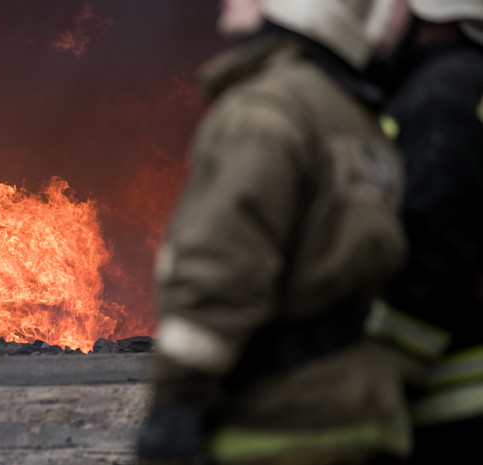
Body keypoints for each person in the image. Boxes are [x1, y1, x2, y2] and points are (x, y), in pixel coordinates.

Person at [137, 0, 414, 463]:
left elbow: (220, 273)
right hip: (366, 408)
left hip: (280, 420)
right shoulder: (355, 115)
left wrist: (175, 403)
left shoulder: (264, 114)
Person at [366, 0, 483, 463]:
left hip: (453, 405)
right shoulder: (465, 82)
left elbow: (434, 244)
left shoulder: (441, 92)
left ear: (434, 13)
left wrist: (379, 374)